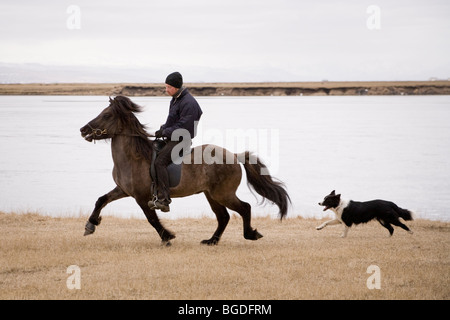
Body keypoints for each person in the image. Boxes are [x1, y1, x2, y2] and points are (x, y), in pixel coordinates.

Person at [149, 72, 203, 212]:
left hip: (182, 140)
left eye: (168, 87)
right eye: (165, 86)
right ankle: (154, 194)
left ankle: (164, 200)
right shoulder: (175, 99)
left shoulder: (188, 103)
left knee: (160, 162)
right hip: (173, 137)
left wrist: (165, 132)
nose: (166, 90)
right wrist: (162, 129)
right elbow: (172, 121)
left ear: (176, 87)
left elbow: (184, 126)